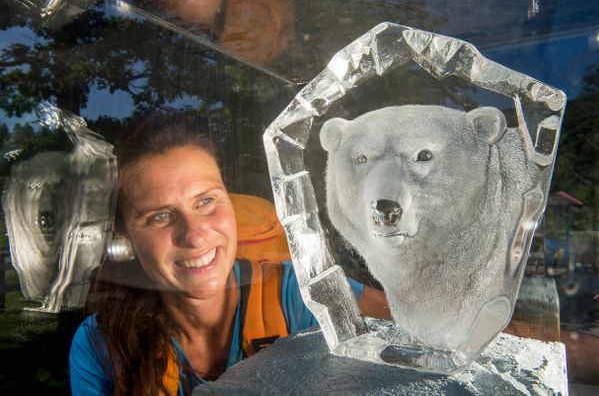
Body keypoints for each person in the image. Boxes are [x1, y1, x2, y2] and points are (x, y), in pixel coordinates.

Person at [69, 112, 389, 395]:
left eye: (206, 201)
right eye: (159, 216)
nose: (194, 235)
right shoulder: (100, 345)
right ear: (123, 234)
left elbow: (418, 332)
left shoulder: (299, 293)